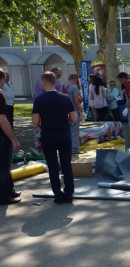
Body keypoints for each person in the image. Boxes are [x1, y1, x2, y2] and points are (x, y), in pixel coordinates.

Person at [32, 72, 77, 204]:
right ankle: (69, 193)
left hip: (48, 135)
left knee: (52, 166)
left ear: (44, 82)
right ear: (55, 82)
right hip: (64, 134)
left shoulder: (39, 100)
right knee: (66, 165)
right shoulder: (65, 98)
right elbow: (74, 118)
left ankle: (58, 194)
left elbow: (35, 121)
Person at [0, 69, 22, 206]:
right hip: (2, 136)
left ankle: (9, 190)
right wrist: (13, 139)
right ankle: (3, 196)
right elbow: (2, 120)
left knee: (5, 166)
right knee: (3, 166)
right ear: (2, 80)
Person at [65, 74, 83, 155]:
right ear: (75, 79)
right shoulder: (73, 87)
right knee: (74, 130)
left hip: (64, 112)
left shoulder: (62, 87)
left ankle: (67, 148)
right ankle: (75, 149)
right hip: (73, 111)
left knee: (67, 130)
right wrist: (81, 111)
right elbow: (76, 101)